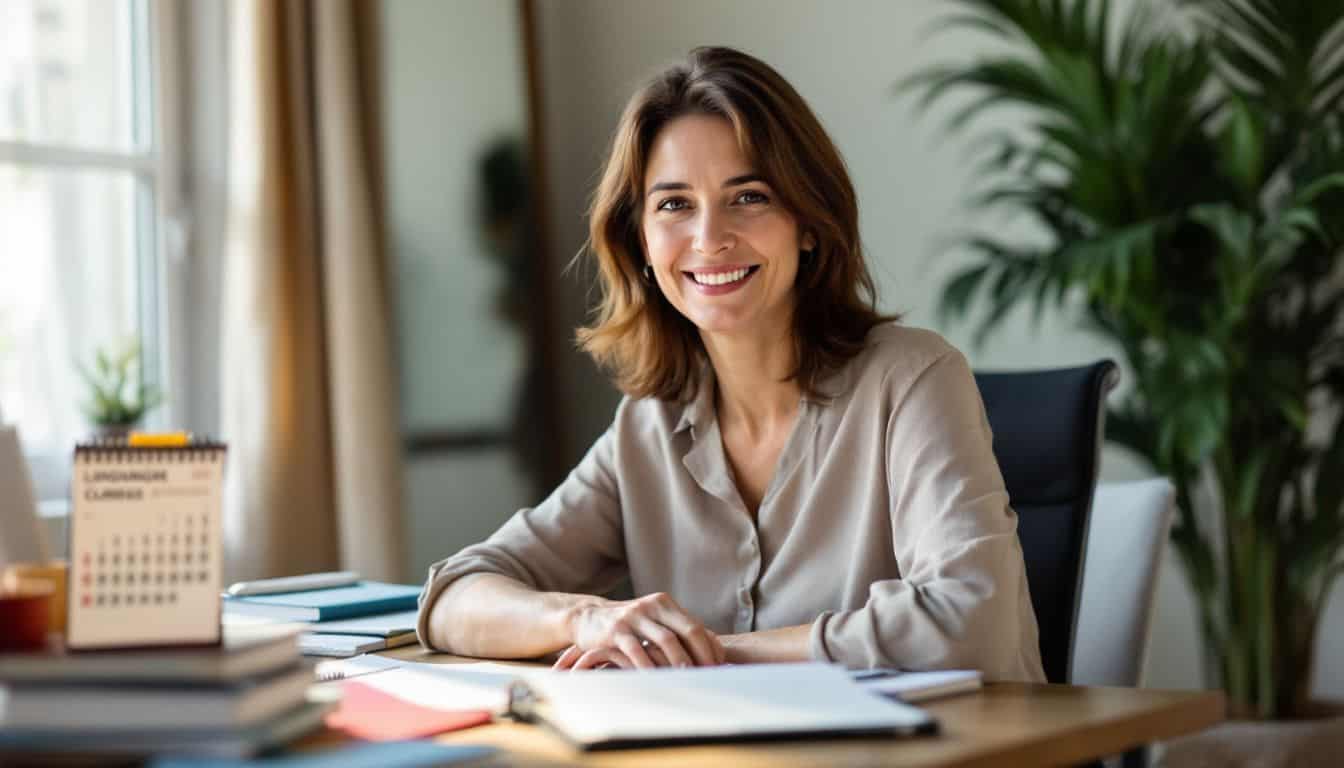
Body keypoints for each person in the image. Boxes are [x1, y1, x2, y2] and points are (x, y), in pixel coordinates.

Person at [416, 46, 1045, 682]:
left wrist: (708, 652)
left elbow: (973, 627)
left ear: (808, 221)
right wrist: (588, 620)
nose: (709, 237)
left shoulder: (912, 379)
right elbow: (453, 597)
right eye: (674, 204)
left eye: (748, 197)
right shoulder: (649, 424)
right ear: (640, 239)